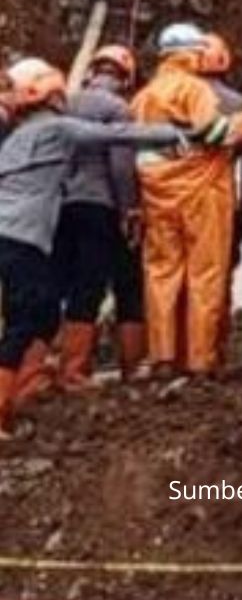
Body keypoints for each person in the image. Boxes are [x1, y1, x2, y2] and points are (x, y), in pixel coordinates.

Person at [0, 59, 184, 434]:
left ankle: (22, 390)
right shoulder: (57, 128)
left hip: (14, 234)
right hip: (22, 238)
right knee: (28, 318)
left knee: (44, 312)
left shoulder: (15, 138)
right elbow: (113, 136)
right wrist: (172, 133)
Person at [130, 23, 241, 378]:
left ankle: (162, 354)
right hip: (201, 191)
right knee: (204, 273)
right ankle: (199, 357)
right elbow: (214, 132)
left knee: (161, 273)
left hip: (156, 195)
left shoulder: (143, 97)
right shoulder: (194, 89)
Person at [51, 43, 146, 387]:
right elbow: (120, 164)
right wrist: (129, 208)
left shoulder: (66, 105)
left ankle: (46, 365)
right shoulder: (118, 108)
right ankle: (75, 370)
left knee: (60, 282)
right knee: (90, 285)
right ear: (125, 76)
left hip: (63, 204)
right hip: (99, 204)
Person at [199, 33, 242, 370]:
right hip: (224, 200)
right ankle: (212, 349)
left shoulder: (171, 98)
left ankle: (174, 351)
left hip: (169, 201)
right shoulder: (241, 106)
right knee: (219, 277)